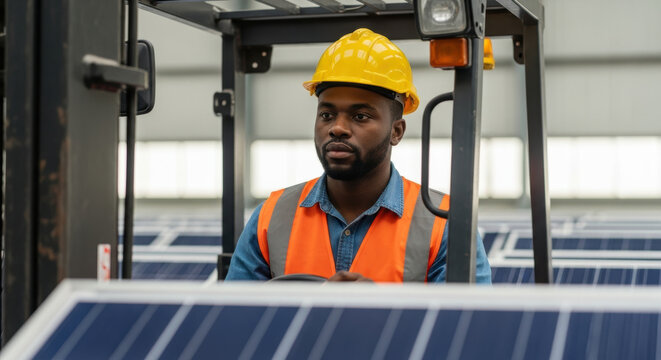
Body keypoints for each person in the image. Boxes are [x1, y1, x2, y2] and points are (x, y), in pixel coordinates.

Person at [226, 28, 491, 283]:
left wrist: (373, 310)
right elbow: (234, 321)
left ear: (396, 132)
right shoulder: (271, 216)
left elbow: (464, 325)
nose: (337, 128)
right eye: (326, 115)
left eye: (360, 116)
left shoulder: (444, 223)